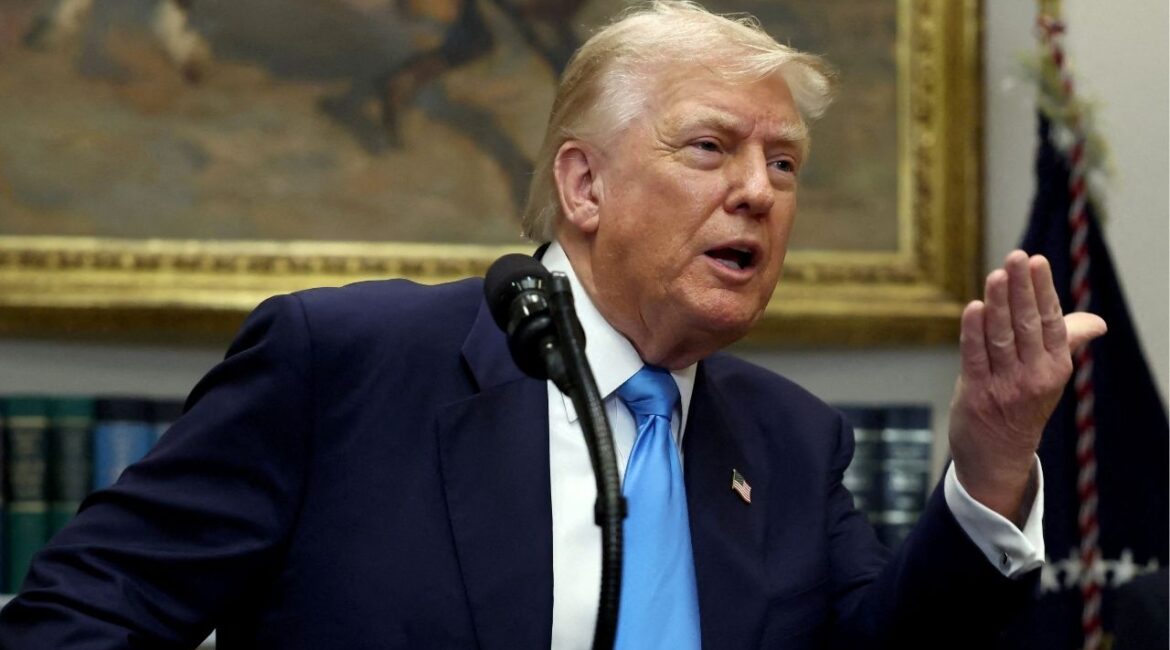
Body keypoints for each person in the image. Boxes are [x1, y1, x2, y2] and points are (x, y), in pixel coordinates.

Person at [0, 2, 1106, 649]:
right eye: (711, 149)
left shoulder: (789, 439)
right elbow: (76, 617)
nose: (761, 193)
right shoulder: (344, 365)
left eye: (784, 164)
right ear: (583, 184)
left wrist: (994, 468)